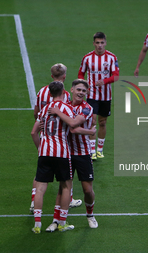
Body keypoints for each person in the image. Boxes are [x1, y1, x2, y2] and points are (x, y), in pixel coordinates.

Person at [31, 81, 86, 234]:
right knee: (66, 186)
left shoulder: (44, 110)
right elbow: (74, 127)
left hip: (44, 152)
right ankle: (62, 222)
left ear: (49, 93)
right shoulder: (67, 108)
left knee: (40, 189)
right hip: (61, 152)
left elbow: (33, 132)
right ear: (64, 92)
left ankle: (37, 224)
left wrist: (40, 149)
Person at [46, 79, 98, 232]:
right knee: (63, 188)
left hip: (83, 153)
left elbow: (74, 126)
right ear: (72, 90)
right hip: (65, 152)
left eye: (84, 91)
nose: (81, 93)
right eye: (79, 90)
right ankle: (56, 221)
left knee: (87, 190)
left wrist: (58, 113)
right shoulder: (65, 107)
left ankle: (90, 215)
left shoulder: (87, 108)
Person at [78, 32, 119, 160]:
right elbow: (81, 74)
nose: (100, 45)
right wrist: (85, 87)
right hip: (92, 95)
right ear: (94, 43)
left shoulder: (112, 58)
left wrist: (104, 81)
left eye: (102, 43)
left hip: (106, 96)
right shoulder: (87, 58)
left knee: (103, 122)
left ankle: (100, 150)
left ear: (105, 43)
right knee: (92, 121)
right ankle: (91, 151)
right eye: (97, 43)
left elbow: (116, 76)